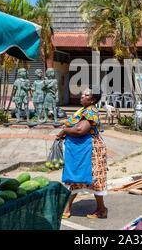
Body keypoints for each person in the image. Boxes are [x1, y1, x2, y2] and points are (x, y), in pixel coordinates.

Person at [57, 87, 108, 219]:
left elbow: (81, 130)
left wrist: (65, 131)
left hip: (91, 150)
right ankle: (67, 208)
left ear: (93, 99)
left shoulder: (91, 111)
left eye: (86, 95)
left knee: (94, 179)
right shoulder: (84, 110)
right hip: (80, 149)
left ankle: (101, 210)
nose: (82, 96)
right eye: (82, 94)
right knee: (75, 178)